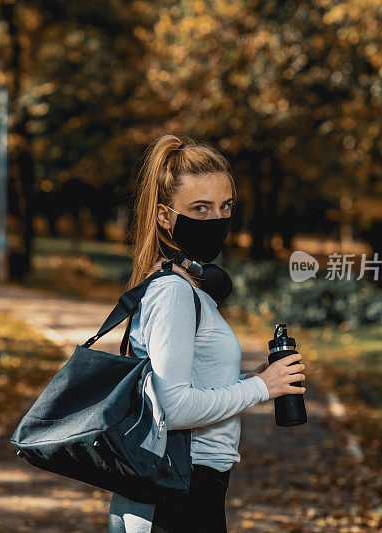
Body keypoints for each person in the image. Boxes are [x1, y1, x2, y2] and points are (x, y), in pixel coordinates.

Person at [108, 134, 306, 532]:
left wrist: (251, 382)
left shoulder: (186, 287)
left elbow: (191, 386)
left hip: (192, 487)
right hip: (176, 492)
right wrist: (262, 387)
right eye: (200, 208)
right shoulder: (174, 292)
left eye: (225, 206)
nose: (216, 219)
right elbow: (174, 407)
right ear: (165, 216)